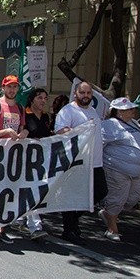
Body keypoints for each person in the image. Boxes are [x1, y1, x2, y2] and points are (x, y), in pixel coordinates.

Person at [53, 79, 108, 245]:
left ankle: (73, 221)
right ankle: (69, 229)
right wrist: (76, 131)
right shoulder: (68, 111)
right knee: (72, 195)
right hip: (76, 162)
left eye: (88, 93)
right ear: (75, 94)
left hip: (95, 162)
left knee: (100, 192)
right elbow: (60, 131)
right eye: (82, 93)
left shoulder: (93, 111)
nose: (85, 96)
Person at [0, 74, 29, 244]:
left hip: (12, 159)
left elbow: (22, 129)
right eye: (9, 86)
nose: (12, 90)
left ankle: (1, 228)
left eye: (15, 87)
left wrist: (24, 133)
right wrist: (5, 132)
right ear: (3, 88)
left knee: (7, 192)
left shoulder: (20, 108)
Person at [99, 97, 140, 242]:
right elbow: (99, 144)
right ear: (119, 112)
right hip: (117, 170)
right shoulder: (109, 125)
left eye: (132, 108)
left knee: (133, 199)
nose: (132, 111)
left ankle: (108, 213)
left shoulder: (135, 123)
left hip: (136, 171)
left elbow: (136, 143)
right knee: (117, 199)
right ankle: (112, 228)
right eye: (128, 109)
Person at [13, 87, 51, 240]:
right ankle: (33, 224)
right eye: (39, 97)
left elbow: (47, 136)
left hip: (41, 160)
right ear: (32, 99)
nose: (43, 101)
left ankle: (27, 221)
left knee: (34, 190)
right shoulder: (24, 114)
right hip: (24, 159)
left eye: (45, 98)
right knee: (28, 189)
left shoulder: (46, 117)